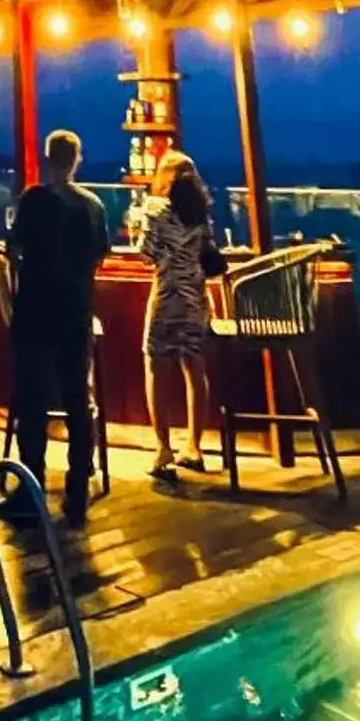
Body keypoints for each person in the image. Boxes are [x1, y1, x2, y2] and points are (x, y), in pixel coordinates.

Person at [5, 129, 109, 524]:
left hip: (35, 310)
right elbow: (99, 255)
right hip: (76, 311)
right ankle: (77, 490)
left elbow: (15, 250)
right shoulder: (94, 205)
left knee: (31, 402)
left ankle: (31, 488)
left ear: (48, 158)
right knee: (77, 401)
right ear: (77, 159)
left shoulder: (32, 201)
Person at [138, 152, 216, 479]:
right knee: (194, 370)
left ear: (165, 178)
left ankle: (163, 449)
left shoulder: (155, 212)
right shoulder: (200, 216)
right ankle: (194, 447)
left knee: (156, 367)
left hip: (167, 298)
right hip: (196, 300)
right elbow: (207, 256)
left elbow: (146, 254)